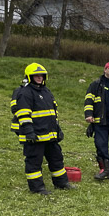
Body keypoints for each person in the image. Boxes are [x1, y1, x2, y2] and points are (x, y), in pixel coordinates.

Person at [12, 63, 75, 195]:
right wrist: (29, 131)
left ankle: (61, 183)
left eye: (41, 75)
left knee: (56, 159)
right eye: (36, 75)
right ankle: (37, 188)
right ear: (29, 76)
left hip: (49, 135)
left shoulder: (46, 91)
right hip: (34, 136)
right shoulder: (25, 92)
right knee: (34, 162)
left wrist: (58, 130)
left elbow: (53, 114)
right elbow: (23, 114)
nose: (39, 77)